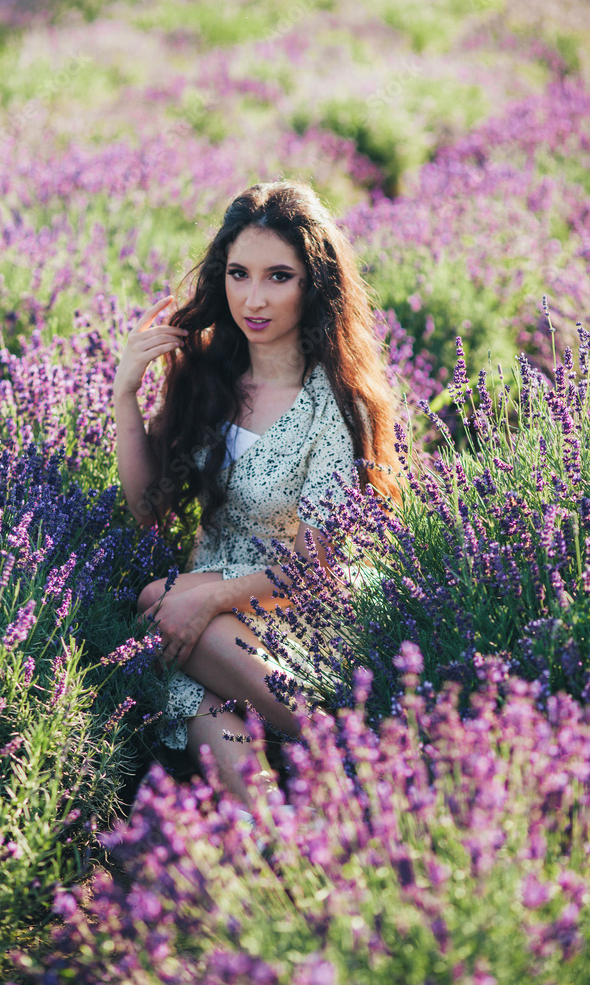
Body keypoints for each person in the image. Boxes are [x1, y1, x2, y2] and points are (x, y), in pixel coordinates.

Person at [113, 180, 400, 807]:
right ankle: (272, 804)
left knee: (163, 609)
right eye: (239, 274)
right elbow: (147, 511)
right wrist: (125, 396)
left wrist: (208, 597)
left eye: (279, 277)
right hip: (213, 609)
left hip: (303, 610)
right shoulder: (209, 379)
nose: (253, 298)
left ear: (314, 285)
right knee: (183, 650)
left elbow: (319, 565)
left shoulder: (337, 403)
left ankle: (325, 741)